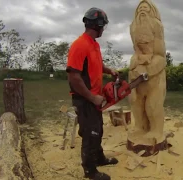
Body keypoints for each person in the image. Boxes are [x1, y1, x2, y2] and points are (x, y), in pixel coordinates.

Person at [66, 7, 118, 180]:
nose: (104, 29)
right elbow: (74, 76)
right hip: (85, 98)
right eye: (103, 26)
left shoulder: (93, 45)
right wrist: (91, 96)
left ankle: (99, 158)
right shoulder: (80, 45)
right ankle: (90, 171)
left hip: (94, 98)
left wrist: (108, 70)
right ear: (98, 25)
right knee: (90, 133)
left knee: (97, 129)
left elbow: (96, 65)